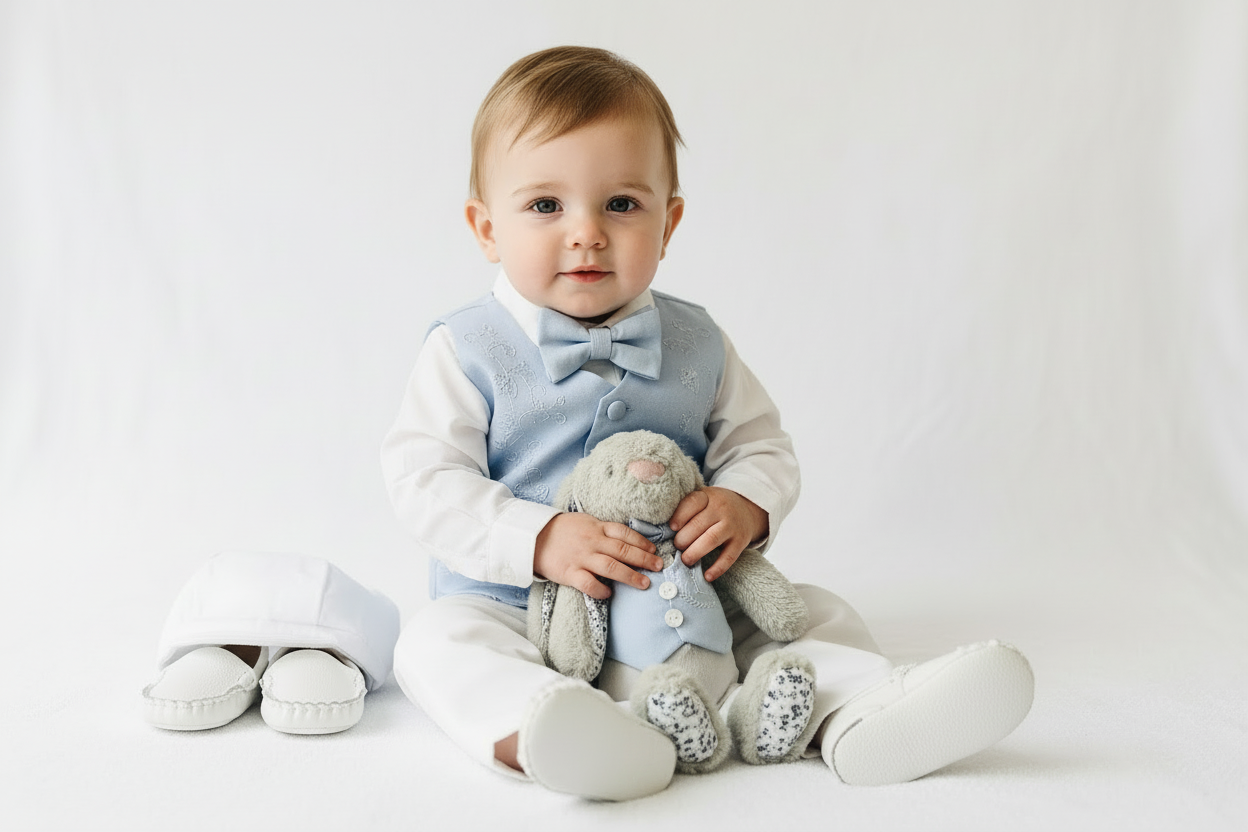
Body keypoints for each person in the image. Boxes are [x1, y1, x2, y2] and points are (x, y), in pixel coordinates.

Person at [382, 45, 1033, 800]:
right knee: (434, 645)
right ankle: (549, 732)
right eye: (546, 205)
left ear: (670, 221)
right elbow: (422, 478)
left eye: (622, 204)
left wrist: (743, 505)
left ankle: (862, 710)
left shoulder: (698, 342)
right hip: (517, 604)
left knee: (815, 612)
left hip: (681, 591)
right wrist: (537, 538)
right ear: (486, 227)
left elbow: (759, 443)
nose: (586, 231)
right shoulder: (466, 348)